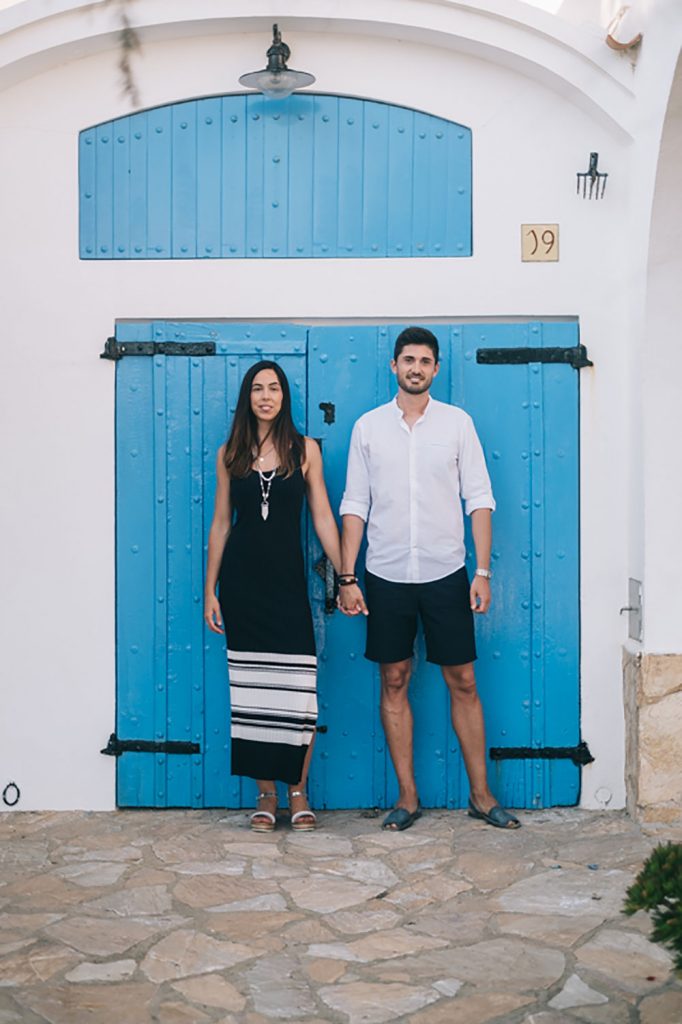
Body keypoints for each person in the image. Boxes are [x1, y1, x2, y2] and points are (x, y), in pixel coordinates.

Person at [338, 327, 520, 832]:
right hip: (386, 574)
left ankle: (482, 797)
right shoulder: (368, 429)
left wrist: (481, 571)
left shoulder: (457, 424)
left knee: (462, 680)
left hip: (445, 573)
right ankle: (408, 798)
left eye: (425, 360)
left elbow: (479, 498)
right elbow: (355, 504)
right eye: (408, 359)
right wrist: (347, 577)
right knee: (393, 678)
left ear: (436, 369)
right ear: (393, 366)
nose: (416, 367)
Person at [204, 361, 341, 833]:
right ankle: (266, 795)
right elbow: (222, 523)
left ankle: (298, 792)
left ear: (285, 396)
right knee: (252, 694)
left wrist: (346, 575)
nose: (266, 396)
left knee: (298, 695)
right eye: (258, 389)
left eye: (274, 388)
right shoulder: (230, 454)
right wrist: (210, 591)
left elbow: (322, 516)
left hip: (287, 587)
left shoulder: (304, 451)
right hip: (243, 587)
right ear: (248, 397)